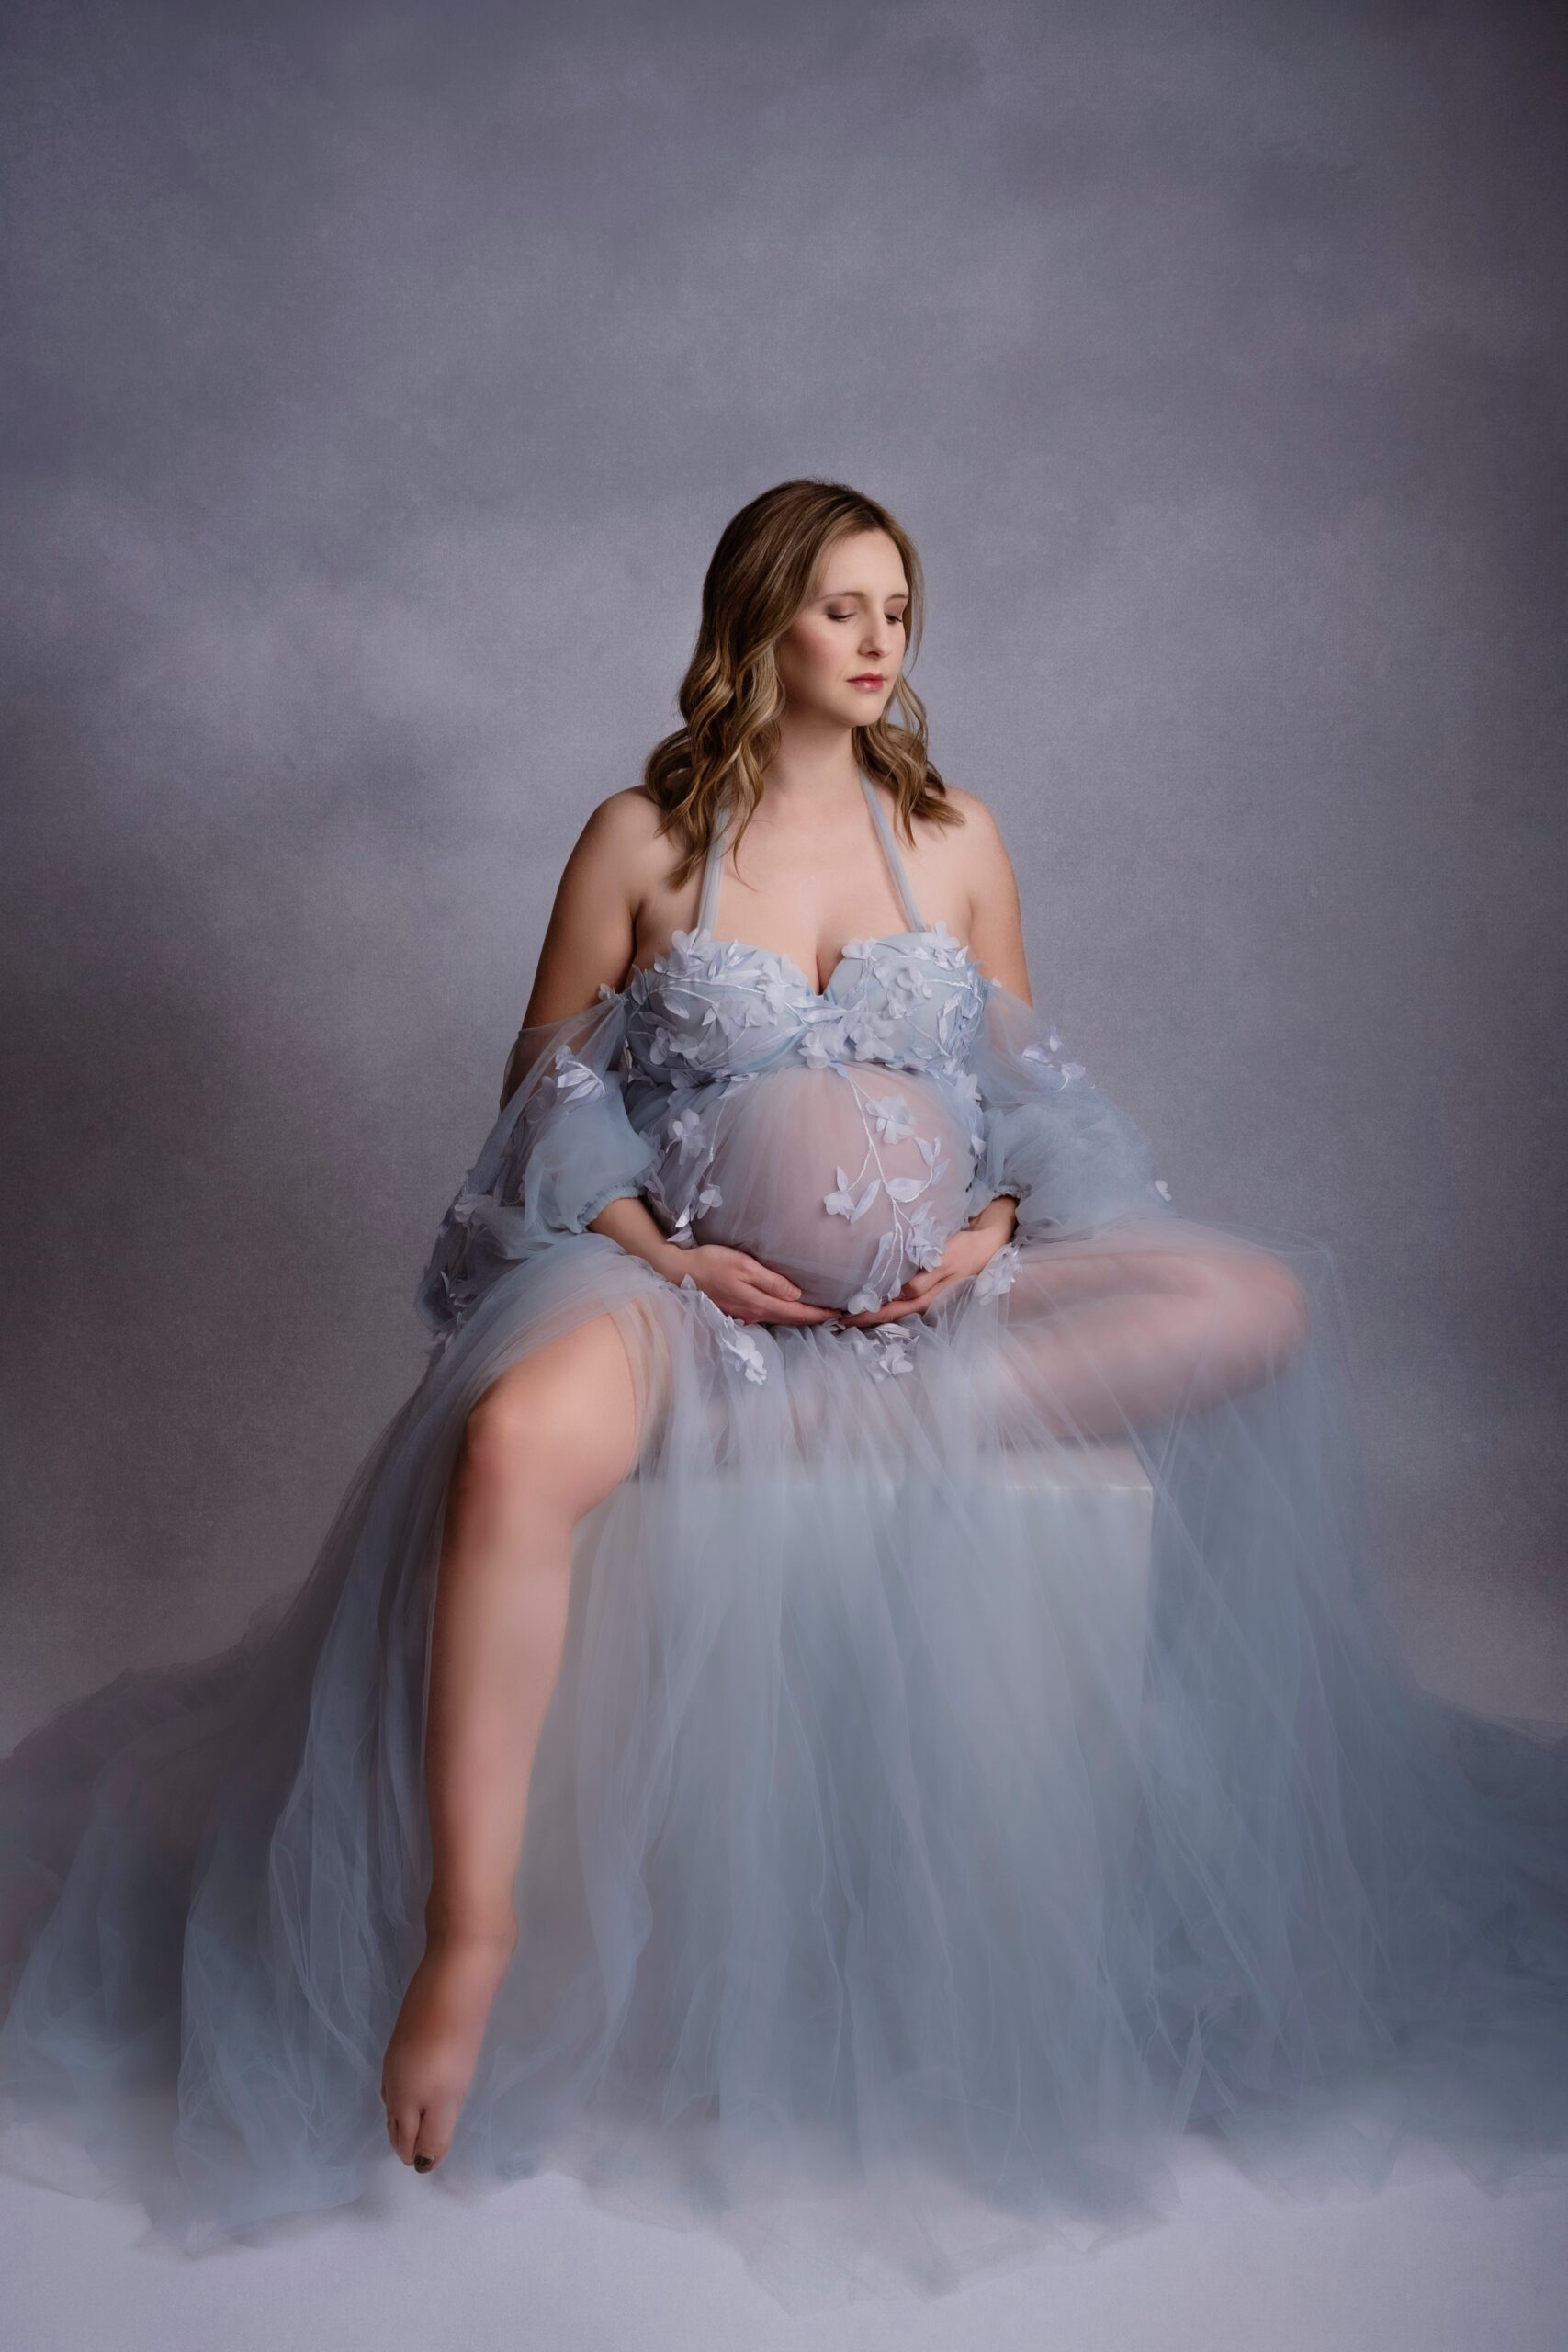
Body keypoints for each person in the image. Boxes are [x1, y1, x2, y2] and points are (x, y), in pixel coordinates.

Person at [2, 478, 1566, 2310]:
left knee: (1250, 1300)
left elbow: (1029, 1083)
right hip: (691, 1305)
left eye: (896, 601)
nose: (881, 633)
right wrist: (659, 1253)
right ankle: (470, 1942)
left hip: (927, 1317)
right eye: (840, 603)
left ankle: (846, 1415)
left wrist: (992, 1222)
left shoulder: (955, 835)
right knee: (511, 1442)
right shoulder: (642, 841)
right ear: (759, 623)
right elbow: (544, 1101)